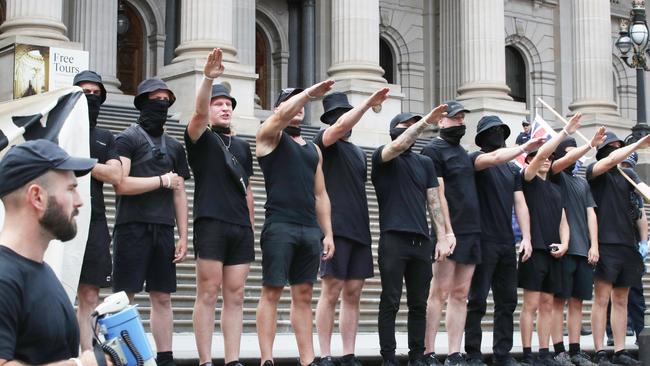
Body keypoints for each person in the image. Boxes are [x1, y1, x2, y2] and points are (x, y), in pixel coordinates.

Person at [0, 139, 114, 366]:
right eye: (71, 189)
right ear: (37, 197)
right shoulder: (4, 278)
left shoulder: (42, 272)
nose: (80, 202)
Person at [255, 80, 336, 366]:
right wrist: (308, 94)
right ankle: (267, 359)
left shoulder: (314, 149)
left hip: (308, 229)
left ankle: (308, 360)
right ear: (280, 107)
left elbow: (321, 193)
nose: (300, 106)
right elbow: (278, 118)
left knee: (303, 294)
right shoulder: (270, 137)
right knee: (272, 291)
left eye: (303, 103)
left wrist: (327, 233)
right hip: (279, 225)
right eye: (293, 101)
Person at [113, 78, 191, 366]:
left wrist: (183, 235)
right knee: (125, 297)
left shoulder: (174, 146)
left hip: (163, 229)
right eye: (154, 100)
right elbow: (121, 183)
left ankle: (165, 356)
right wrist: (161, 181)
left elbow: (180, 192)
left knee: (163, 297)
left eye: (165, 101)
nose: (160, 106)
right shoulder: (126, 138)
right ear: (142, 103)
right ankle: (122, 358)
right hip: (131, 226)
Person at [184, 49, 255, 366]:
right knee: (208, 292)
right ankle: (204, 360)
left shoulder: (241, 145)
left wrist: (251, 227)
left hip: (240, 227)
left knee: (236, 295)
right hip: (210, 221)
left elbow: (248, 190)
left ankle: (232, 359)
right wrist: (209, 79)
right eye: (219, 103)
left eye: (228, 104)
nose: (225, 107)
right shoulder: (200, 137)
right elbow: (198, 115)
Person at [314, 89, 389, 366]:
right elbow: (340, 127)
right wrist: (368, 103)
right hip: (335, 228)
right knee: (330, 290)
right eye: (343, 115)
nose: (348, 121)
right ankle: (324, 354)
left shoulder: (358, 153)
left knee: (353, 292)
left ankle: (348, 354)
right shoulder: (323, 142)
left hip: (359, 229)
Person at [372, 107, 451, 366]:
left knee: (419, 303)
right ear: (394, 129)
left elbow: (434, 201)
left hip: (420, 241)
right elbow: (399, 145)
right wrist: (427, 121)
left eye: (415, 125)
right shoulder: (383, 157)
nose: (412, 129)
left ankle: (417, 355)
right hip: (394, 239)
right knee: (391, 300)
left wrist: (441, 236)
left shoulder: (425, 163)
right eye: (406, 125)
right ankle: (388, 357)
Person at [463, 115, 544, 366]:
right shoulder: (476, 158)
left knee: (507, 300)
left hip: (506, 243)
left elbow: (520, 203)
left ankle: (502, 353)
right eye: (492, 131)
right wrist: (522, 149)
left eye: (500, 130)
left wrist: (527, 238)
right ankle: (473, 352)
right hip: (483, 240)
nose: (496, 134)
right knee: (477, 299)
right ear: (482, 136)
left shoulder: (512, 170)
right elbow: (494, 158)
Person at [517, 114, 581, 366]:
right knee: (530, 304)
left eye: (548, 159)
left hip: (555, 250)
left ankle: (544, 352)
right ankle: (527, 353)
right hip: (535, 249)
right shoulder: (528, 180)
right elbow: (539, 156)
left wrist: (565, 244)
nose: (545, 161)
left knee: (547, 304)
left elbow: (564, 221)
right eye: (540, 158)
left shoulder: (556, 188)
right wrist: (564, 132)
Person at [421, 100, 480, 366]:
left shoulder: (465, 153)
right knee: (439, 292)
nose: (460, 122)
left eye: (462, 118)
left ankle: (454, 352)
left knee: (460, 293)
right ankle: (428, 351)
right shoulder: (433, 151)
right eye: (455, 118)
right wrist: (445, 233)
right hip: (449, 231)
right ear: (441, 121)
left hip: (471, 231)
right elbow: (438, 193)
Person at [587, 131, 650, 366]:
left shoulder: (629, 173)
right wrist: (639, 144)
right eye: (612, 145)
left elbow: (646, 193)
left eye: (619, 145)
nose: (616, 149)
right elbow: (611, 161)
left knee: (622, 298)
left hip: (627, 243)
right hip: (605, 242)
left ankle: (621, 349)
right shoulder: (595, 171)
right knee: (602, 298)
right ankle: (601, 350)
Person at [72, 70, 123, 352]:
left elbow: (116, 175)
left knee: (90, 293)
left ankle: (87, 353)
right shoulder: (59, 131)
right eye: (84, 93)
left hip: (95, 221)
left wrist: (83, 162)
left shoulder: (105, 136)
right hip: (62, 220)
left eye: (95, 94)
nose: (91, 98)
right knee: (59, 291)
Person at [547, 129, 605, 366]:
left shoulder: (582, 182)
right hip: (563, 251)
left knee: (577, 302)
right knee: (558, 302)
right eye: (570, 154)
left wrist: (595, 245)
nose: (575, 159)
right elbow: (562, 162)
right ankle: (558, 349)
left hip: (583, 250)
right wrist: (590, 145)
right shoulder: (555, 175)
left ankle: (575, 349)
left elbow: (591, 214)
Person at [619, 153, 648, 344]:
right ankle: (614, 334)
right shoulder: (604, 184)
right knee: (611, 296)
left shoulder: (633, 190)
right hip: (611, 245)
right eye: (623, 163)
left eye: (629, 164)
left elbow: (641, 216)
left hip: (632, 245)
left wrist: (644, 242)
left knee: (636, 295)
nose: (626, 168)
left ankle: (640, 334)